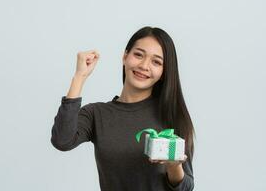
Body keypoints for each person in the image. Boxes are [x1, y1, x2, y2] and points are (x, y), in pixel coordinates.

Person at [50, 26, 195, 191]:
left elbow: (187, 187)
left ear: (163, 71)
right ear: (125, 56)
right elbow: (62, 140)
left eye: (156, 62)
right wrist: (79, 77)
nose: (144, 65)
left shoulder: (172, 116)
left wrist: (173, 166)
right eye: (138, 55)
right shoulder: (97, 114)